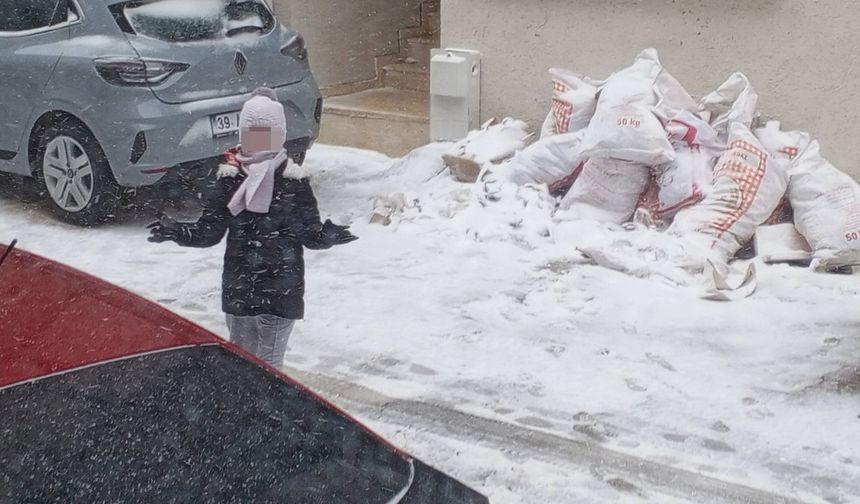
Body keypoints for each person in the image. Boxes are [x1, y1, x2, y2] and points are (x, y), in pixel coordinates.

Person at [148, 87, 357, 367]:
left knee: (270, 370)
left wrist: (329, 234)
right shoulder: (229, 179)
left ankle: (267, 409)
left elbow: (310, 234)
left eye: (266, 131)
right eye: (253, 131)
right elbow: (209, 232)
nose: (259, 139)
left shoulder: (294, 182)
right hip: (241, 292)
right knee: (241, 366)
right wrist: (176, 230)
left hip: (280, 291)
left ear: (279, 133)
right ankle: (243, 410)